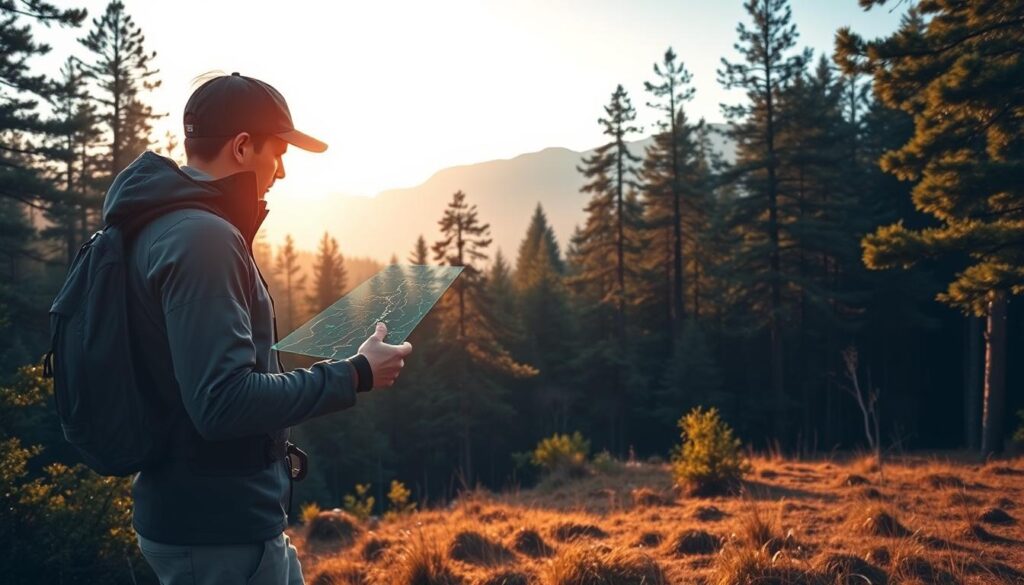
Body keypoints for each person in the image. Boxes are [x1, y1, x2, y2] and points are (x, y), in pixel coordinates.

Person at [101, 72, 411, 584]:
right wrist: (355, 374)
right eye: (278, 152)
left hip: (211, 518)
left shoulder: (161, 222)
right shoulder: (202, 238)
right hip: (219, 534)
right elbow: (223, 403)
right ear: (243, 147)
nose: (283, 172)